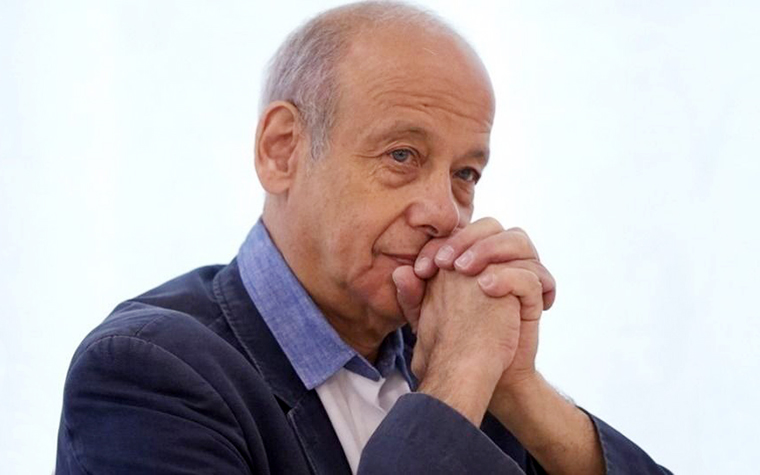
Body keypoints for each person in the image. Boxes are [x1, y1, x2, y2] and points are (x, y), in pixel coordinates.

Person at [55, 2, 671, 474]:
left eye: (464, 174)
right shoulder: (144, 371)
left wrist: (518, 389)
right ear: (282, 150)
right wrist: (456, 383)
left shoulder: (458, 350)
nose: (444, 213)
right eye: (402, 155)